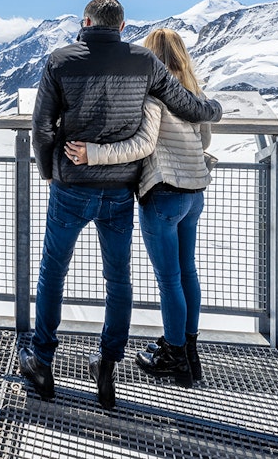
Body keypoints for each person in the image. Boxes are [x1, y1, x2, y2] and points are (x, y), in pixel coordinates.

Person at [21, 0, 221, 410]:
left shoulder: (59, 61)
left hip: (71, 186)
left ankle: (42, 363)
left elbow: (41, 127)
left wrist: (49, 170)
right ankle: (107, 367)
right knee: (118, 280)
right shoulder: (144, 61)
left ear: (87, 22)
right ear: (123, 25)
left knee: (52, 273)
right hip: (119, 191)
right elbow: (187, 105)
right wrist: (214, 109)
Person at [67, 28, 213, 388]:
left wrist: (94, 154)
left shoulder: (152, 95)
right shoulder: (194, 92)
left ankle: (174, 354)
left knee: (169, 280)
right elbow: (205, 137)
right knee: (186, 271)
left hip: (163, 192)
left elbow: (143, 145)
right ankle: (188, 349)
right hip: (194, 192)